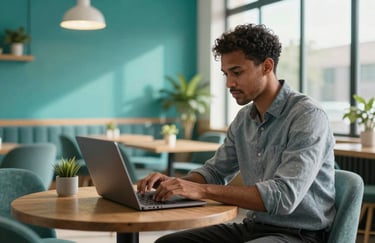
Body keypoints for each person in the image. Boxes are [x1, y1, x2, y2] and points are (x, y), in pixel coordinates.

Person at [137, 23, 336, 243]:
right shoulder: (243, 119)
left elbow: (283, 196)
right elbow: (215, 172)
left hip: (300, 235)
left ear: (267, 67)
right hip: (253, 227)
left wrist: (202, 191)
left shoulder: (307, 115)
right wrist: (176, 185)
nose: (229, 83)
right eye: (225, 74)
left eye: (237, 72)